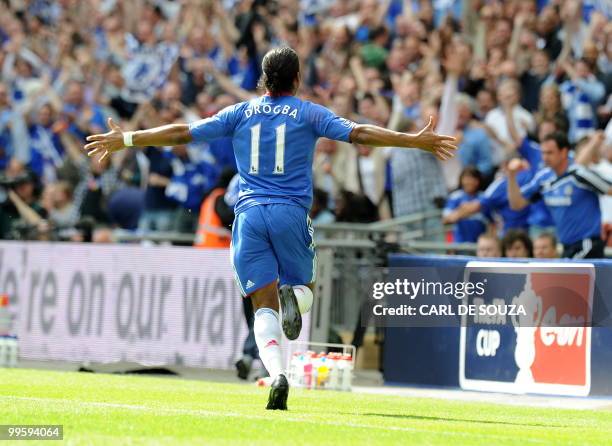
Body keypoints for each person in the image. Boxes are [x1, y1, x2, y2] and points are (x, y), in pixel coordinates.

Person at [84, 47, 456, 410]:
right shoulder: (309, 113)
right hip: (290, 212)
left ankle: (277, 374)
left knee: (263, 308)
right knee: (306, 288)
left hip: (248, 215)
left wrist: (128, 139)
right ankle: (293, 299)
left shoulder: (241, 112)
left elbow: (184, 132)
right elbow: (359, 133)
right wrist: (412, 140)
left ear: (264, 79)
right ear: (296, 79)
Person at [507, 132, 612, 259]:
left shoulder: (579, 174)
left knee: (569, 277)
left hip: (587, 244)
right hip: (566, 245)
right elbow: (517, 204)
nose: (545, 157)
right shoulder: (544, 178)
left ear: (564, 152)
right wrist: (511, 176)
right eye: (543, 153)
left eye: (550, 153)